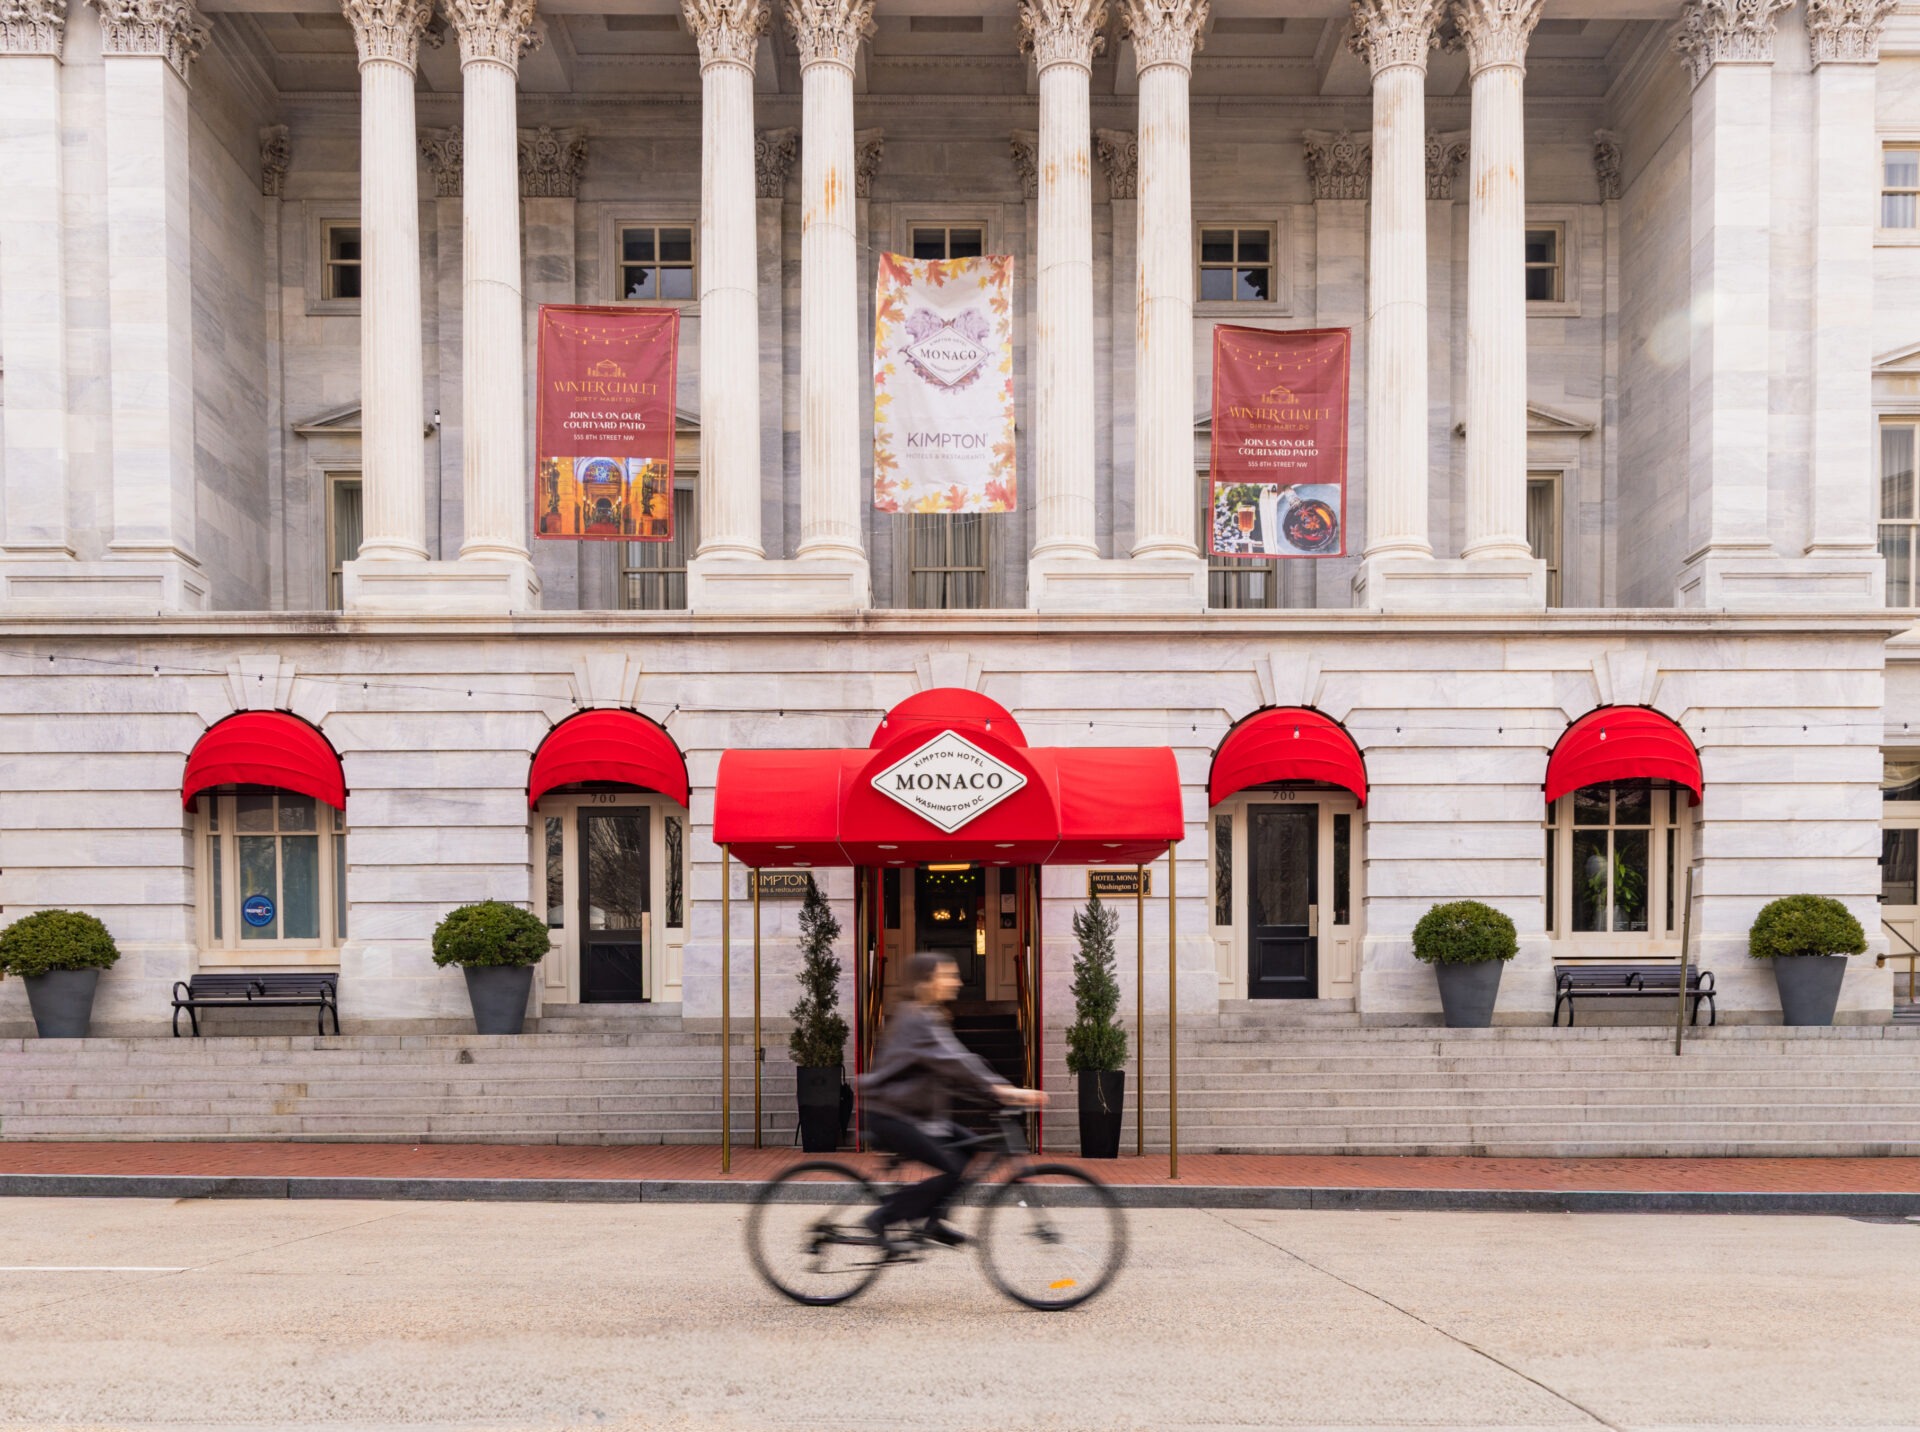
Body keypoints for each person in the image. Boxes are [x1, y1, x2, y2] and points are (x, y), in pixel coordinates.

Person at [857, 950, 1046, 1249]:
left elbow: (958, 1063)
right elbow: (956, 1061)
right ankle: (882, 1217)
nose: (957, 982)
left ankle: (933, 1221)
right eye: (948, 975)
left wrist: (991, 1092)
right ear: (927, 981)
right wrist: (1002, 1091)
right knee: (953, 1168)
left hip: (918, 1114)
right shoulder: (915, 1018)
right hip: (893, 1114)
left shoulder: (929, 1014)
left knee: (971, 1148)